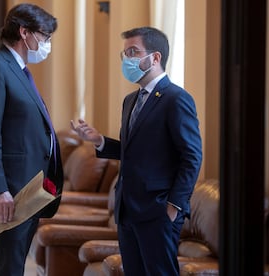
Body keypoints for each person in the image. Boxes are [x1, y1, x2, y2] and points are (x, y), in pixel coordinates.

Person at [71, 27, 202, 275]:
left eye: (133, 52)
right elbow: (131, 151)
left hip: (158, 211)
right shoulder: (130, 100)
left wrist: (173, 205)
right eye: (124, 54)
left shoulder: (176, 99)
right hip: (128, 209)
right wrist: (99, 141)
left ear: (155, 57)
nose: (127, 59)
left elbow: (192, 156)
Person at [0, 3, 63, 276]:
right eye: (44, 37)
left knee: (15, 266)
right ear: (24, 32)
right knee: (8, 268)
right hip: (10, 192)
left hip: (29, 191)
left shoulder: (18, 70)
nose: (46, 44)